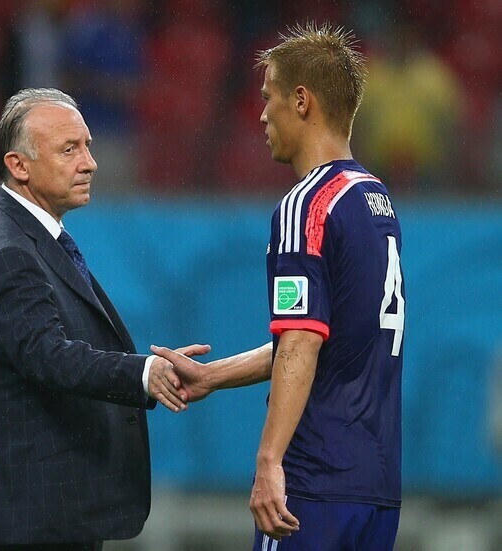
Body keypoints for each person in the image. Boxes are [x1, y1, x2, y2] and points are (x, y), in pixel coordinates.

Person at [153, 23, 405, 550]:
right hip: (376, 489)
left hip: (312, 484)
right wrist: (213, 376)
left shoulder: (304, 205)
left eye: (268, 97)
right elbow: (324, 335)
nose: (262, 113)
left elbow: (301, 342)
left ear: (301, 99)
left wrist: (269, 462)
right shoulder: (375, 200)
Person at [0, 88, 208, 550]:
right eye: (69, 149)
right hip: (39, 511)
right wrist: (146, 373)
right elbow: (50, 358)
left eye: (87, 145)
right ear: (19, 165)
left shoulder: (19, 234)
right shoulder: (8, 249)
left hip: (51, 505)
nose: (89, 163)